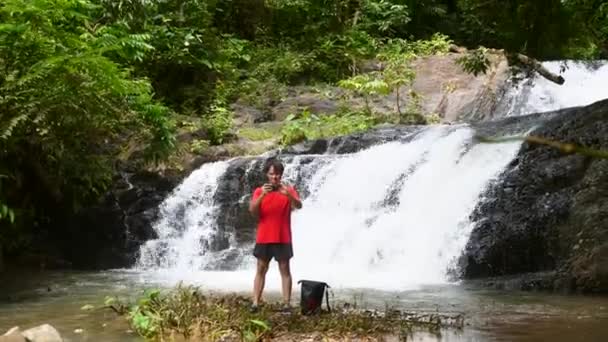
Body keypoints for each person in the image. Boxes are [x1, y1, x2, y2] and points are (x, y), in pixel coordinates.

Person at [248, 158, 302, 312]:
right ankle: (255, 303)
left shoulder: (288, 189)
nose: (275, 177)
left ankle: (286, 303)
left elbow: (299, 205)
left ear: (281, 175)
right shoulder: (259, 191)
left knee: (285, 269)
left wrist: (288, 195)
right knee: (260, 268)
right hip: (264, 236)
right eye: (272, 174)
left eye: (277, 174)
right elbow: (252, 211)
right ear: (267, 175)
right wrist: (262, 195)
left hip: (283, 236)